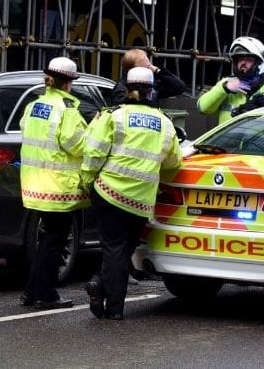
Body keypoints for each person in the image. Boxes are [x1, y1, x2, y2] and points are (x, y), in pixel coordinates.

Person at [81, 67, 182, 320]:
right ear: (151, 91)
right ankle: (104, 293)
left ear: (126, 88)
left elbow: (93, 152)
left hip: (109, 193)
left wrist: (87, 181)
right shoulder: (165, 123)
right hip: (141, 202)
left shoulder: (113, 116)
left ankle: (112, 306)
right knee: (123, 250)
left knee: (113, 249)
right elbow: (173, 163)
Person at [19, 56, 89, 310]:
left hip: (35, 184)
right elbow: (76, 144)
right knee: (54, 242)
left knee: (48, 240)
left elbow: (27, 131)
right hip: (58, 187)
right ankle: (46, 294)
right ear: (69, 83)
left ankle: (31, 292)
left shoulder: (35, 105)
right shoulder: (67, 109)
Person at [197, 36, 264, 124]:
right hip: (226, 142)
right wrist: (224, 89)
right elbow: (202, 108)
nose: (242, 63)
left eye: (248, 59)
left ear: (260, 63)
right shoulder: (226, 83)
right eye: (240, 59)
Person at [112, 48, 187, 106]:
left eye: (148, 66)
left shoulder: (151, 86)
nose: (148, 70)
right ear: (132, 70)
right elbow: (118, 106)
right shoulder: (122, 86)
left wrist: (157, 71)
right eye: (144, 66)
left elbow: (179, 87)